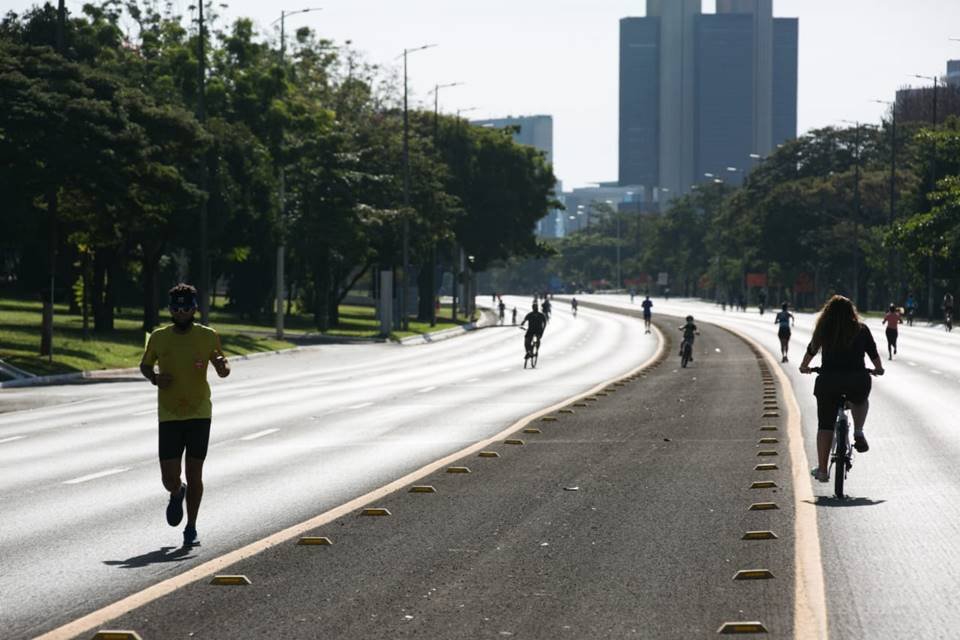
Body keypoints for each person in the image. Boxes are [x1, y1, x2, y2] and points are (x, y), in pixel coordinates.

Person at [140, 283, 230, 546]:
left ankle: (191, 527)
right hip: (169, 413)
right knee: (169, 477)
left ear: (194, 309)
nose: (181, 312)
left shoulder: (208, 335)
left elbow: (219, 360)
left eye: (186, 308)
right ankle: (177, 492)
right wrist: (155, 378)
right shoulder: (158, 336)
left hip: (199, 412)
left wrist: (224, 367)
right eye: (176, 308)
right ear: (170, 309)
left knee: (195, 472)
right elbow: (144, 366)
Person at [799, 295, 884, 483]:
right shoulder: (861, 329)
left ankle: (822, 470)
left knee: (825, 425)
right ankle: (859, 431)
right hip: (857, 379)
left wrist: (804, 366)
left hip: (829, 380)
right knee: (860, 399)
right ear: (851, 311)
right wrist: (878, 369)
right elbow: (873, 352)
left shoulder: (824, 329)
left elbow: (812, 349)